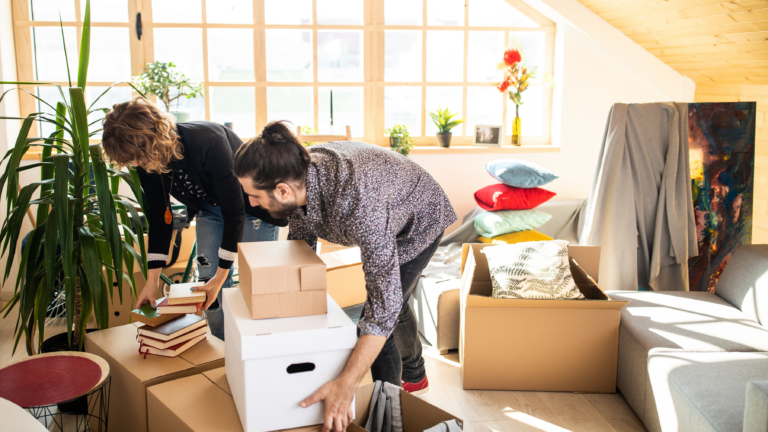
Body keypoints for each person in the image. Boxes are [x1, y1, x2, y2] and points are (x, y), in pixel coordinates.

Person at [233, 122, 457, 432]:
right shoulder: (297, 177)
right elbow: (301, 247)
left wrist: (346, 384)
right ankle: (416, 374)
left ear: (282, 190)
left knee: (381, 314)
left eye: (254, 196)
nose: (251, 204)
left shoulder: (359, 204)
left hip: (418, 220)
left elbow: (381, 312)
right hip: (386, 201)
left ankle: (388, 415)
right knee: (396, 299)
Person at [101, 97, 287, 340]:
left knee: (257, 280)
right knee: (207, 281)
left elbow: (235, 211)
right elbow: (160, 219)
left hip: (251, 207)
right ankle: (221, 343)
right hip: (209, 209)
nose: (134, 163)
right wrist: (151, 282)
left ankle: (262, 341)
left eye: (136, 155)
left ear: (151, 139)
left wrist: (222, 277)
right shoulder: (146, 162)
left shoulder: (208, 141)